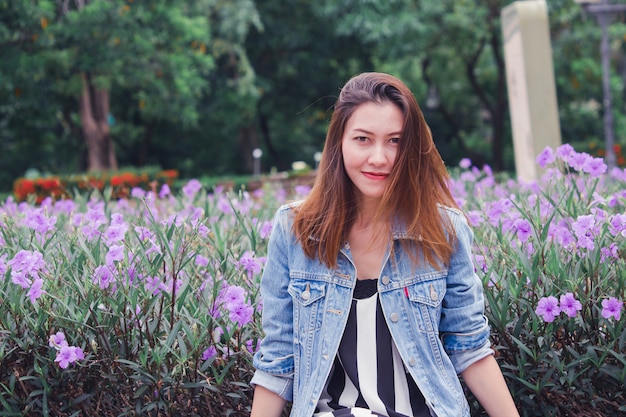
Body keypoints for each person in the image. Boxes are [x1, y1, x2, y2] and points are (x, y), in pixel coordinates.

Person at [250, 72, 520, 417]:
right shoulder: (297, 231)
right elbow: (278, 357)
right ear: (339, 143)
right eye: (363, 139)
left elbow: (469, 347)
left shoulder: (443, 231)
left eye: (395, 141)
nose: (379, 158)